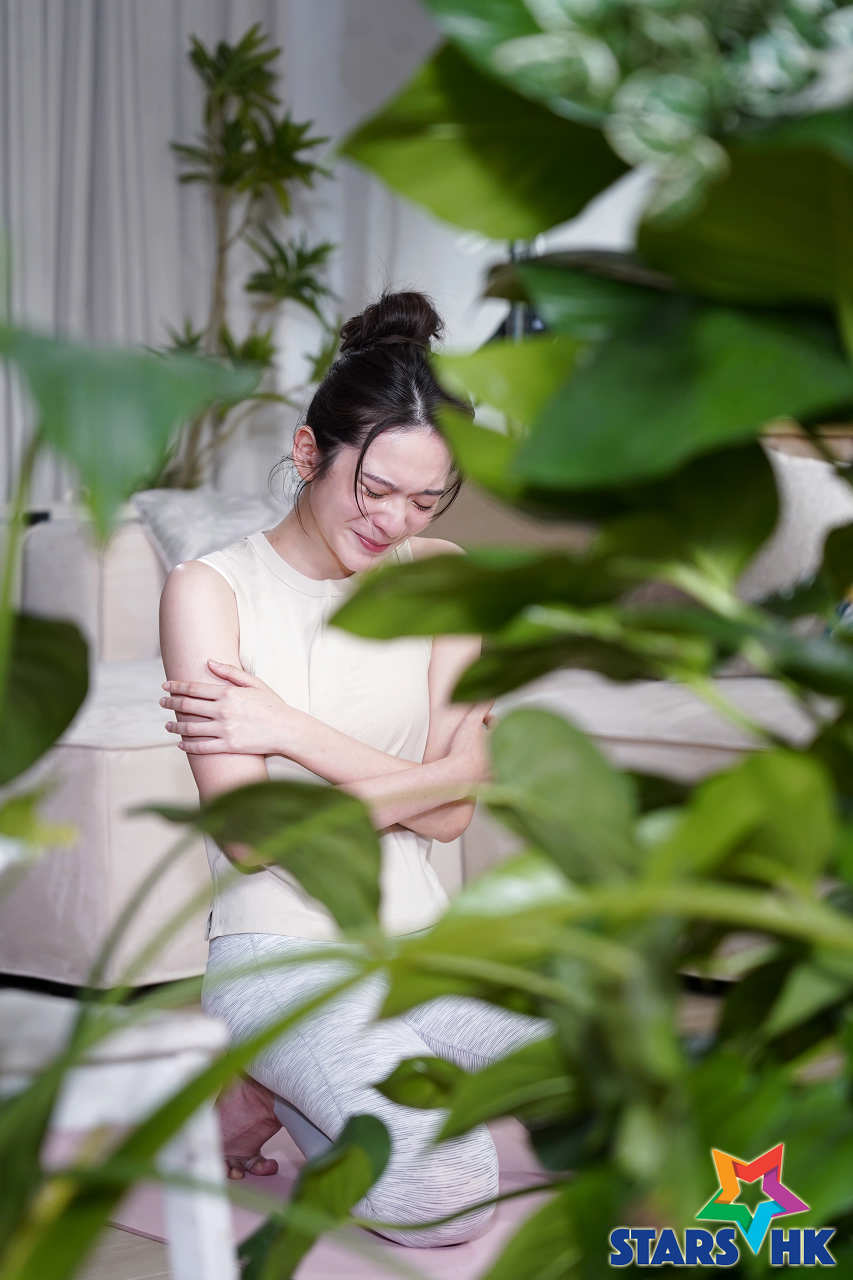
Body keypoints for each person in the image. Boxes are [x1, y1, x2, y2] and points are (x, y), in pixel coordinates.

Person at [158, 289, 552, 1248]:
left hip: (425, 944)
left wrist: (288, 731)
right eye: (373, 490)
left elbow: (456, 817)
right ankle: (283, 1069)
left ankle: (274, 1085)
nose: (392, 523)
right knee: (447, 1191)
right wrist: (440, 777)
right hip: (281, 953)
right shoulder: (211, 592)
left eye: (424, 499)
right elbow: (253, 838)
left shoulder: (441, 574)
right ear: (308, 454)